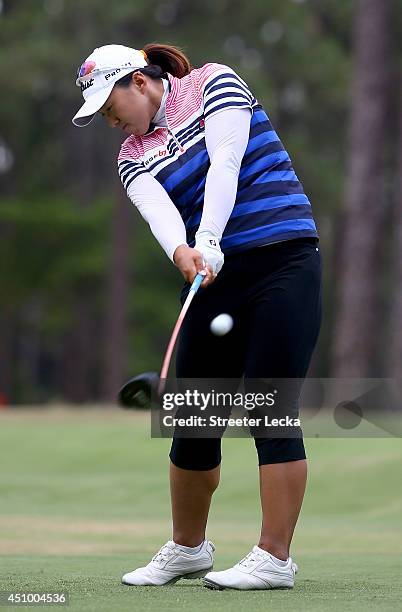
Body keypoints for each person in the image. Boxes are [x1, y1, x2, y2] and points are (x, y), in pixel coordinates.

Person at [73, 43, 322, 590]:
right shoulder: (131, 154)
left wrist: (208, 236)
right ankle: (188, 549)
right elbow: (160, 214)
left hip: (283, 259)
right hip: (213, 276)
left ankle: (274, 558)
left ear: (139, 82)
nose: (108, 119)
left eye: (109, 104)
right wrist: (184, 253)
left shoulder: (216, 83)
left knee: (270, 406)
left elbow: (225, 161)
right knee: (192, 415)